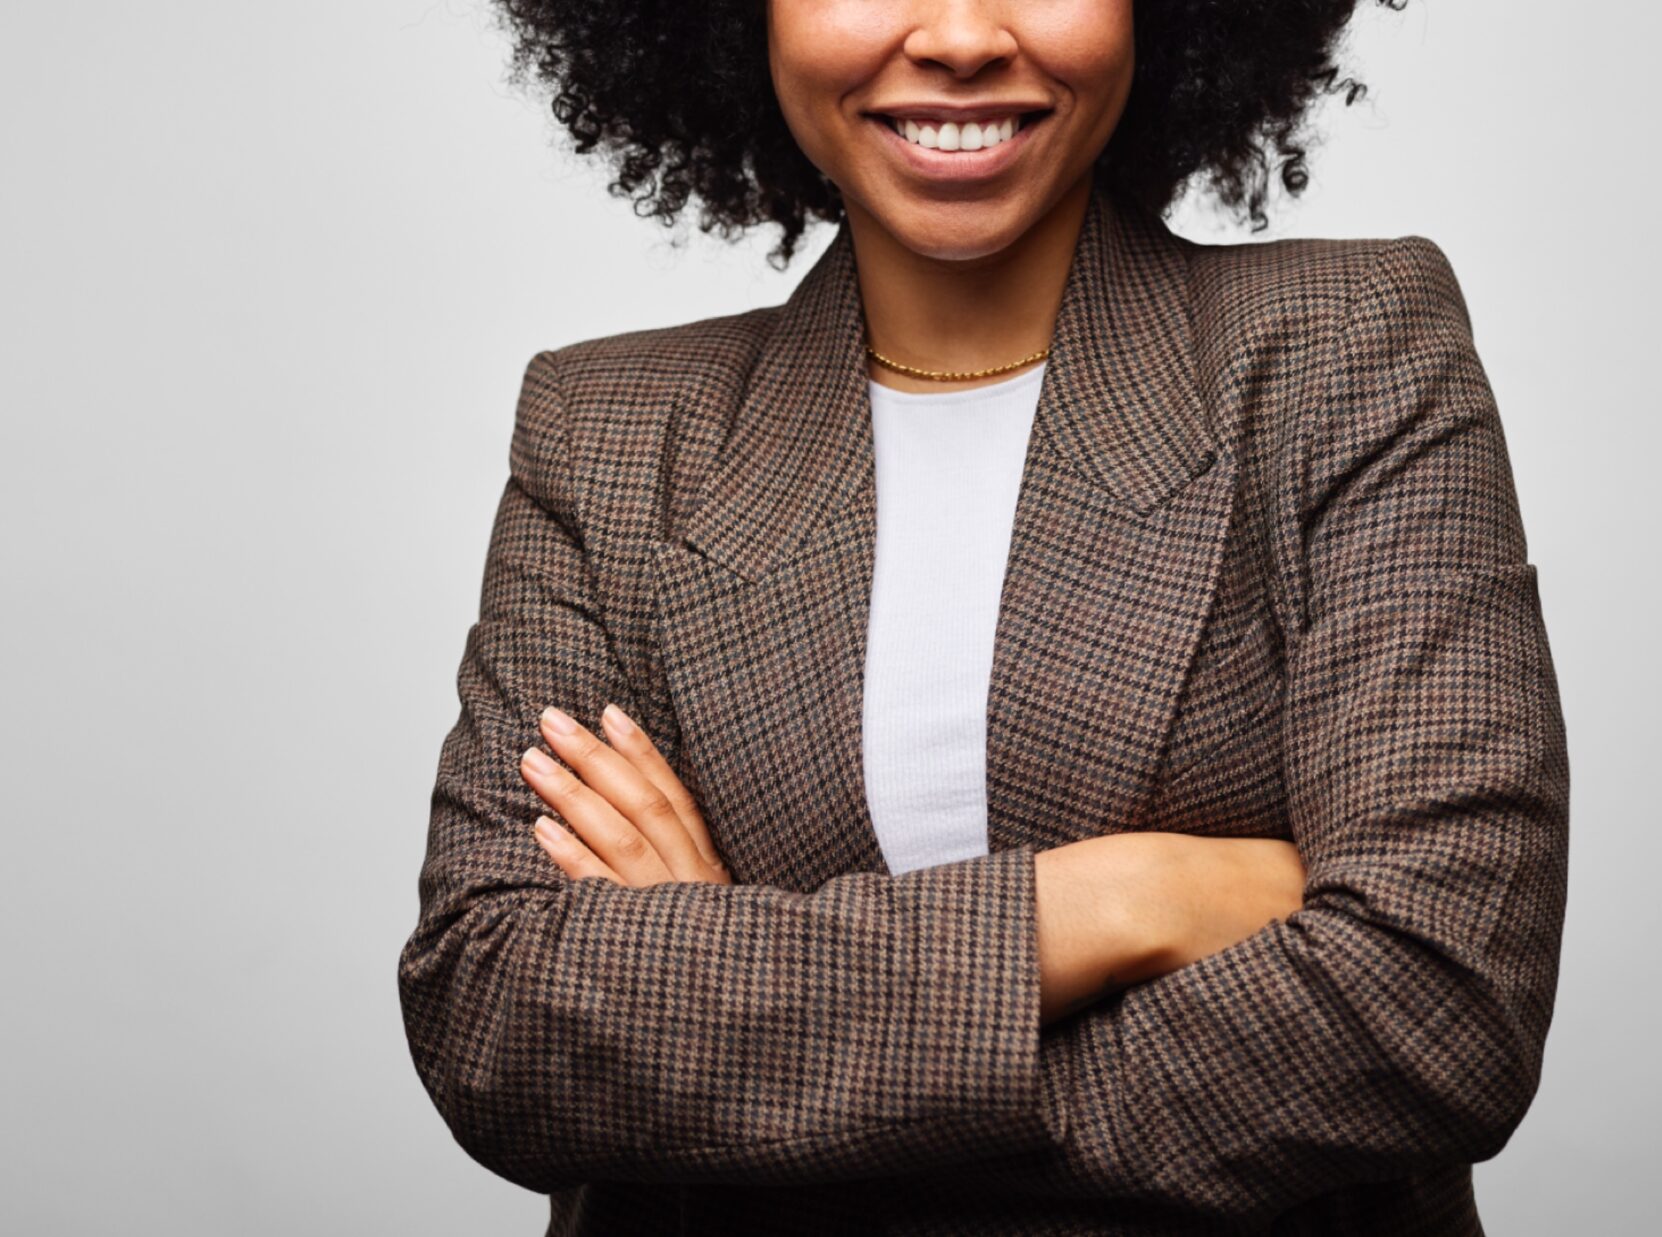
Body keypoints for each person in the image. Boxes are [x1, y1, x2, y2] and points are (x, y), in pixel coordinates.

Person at [396, 2, 1570, 1234]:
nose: (960, 36)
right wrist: (1128, 900)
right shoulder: (609, 432)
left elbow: (1438, 1009)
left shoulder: (1345, 348)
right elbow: (495, 1018)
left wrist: (735, 1037)